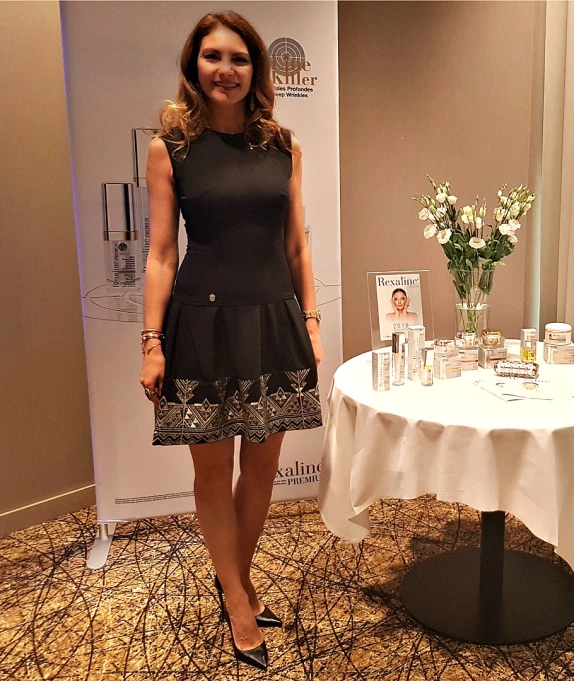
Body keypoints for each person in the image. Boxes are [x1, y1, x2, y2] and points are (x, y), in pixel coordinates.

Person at [137, 11, 323, 671]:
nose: (226, 69)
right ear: (195, 66)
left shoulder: (283, 146)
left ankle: (232, 583)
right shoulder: (170, 148)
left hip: (274, 321)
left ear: (255, 69)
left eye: (239, 58)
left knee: (263, 470)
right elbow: (162, 254)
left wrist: (311, 321)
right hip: (202, 325)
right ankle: (240, 604)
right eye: (213, 56)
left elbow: (296, 246)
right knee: (212, 474)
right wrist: (152, 341)